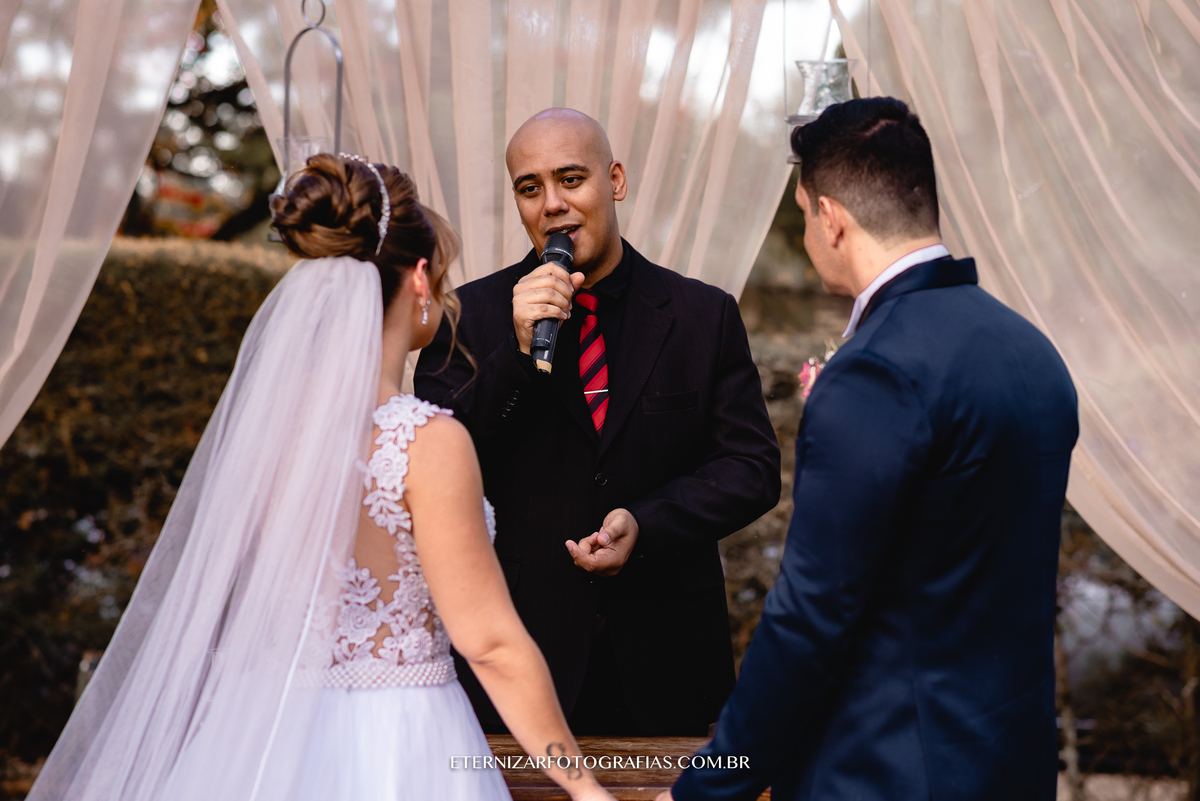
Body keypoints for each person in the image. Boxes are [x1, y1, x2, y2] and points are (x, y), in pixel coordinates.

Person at [27, 154, 615, 801]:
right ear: (419, 279)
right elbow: (493, 644)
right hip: (396, 744)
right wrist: (583, 786)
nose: (446, 296)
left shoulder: (265, 434)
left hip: (255, 740)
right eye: (441, 277)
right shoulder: (426, 442)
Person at [662, 98, 1080, 800]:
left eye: (801, 216)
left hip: (887, 771)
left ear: (830, 217)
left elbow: (809, 618)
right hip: (1012, 762)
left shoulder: (876, 371)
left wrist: (706, 786)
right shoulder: (1031, 351)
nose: (806, 236)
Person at [414, 108, 781, 736]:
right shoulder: (468, 316)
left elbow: (750, 469)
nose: (552, 204)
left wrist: (648, 521)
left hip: (669, 661)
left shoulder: (702, 315)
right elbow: (432, 466)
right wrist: (515, 356)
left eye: (571, 179)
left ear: (615, 180)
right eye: (530, 189)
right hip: (520, 662)